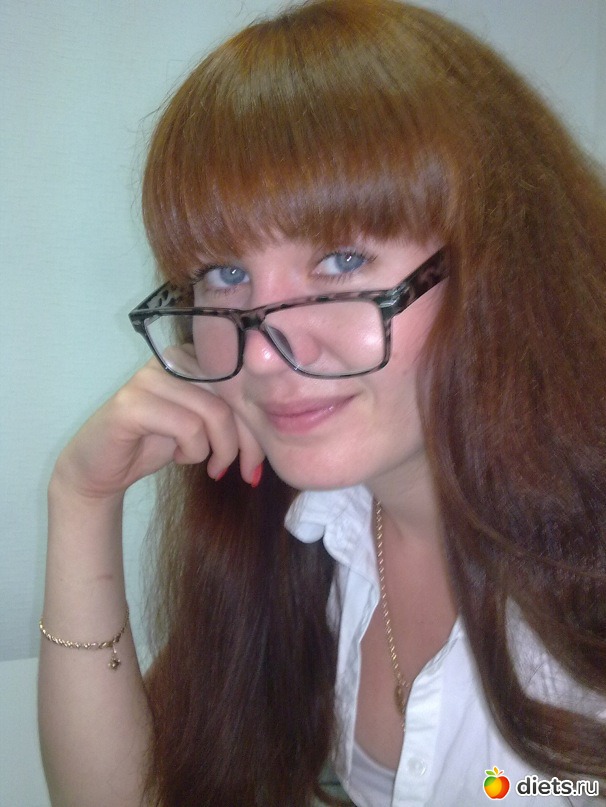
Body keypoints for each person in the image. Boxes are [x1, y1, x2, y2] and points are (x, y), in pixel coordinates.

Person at [38, 0, 606, 805]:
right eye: (226, 273)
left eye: (342, 258)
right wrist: (80, 499)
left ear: (502, 262)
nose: (263, 355)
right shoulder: (309, 520)